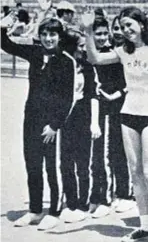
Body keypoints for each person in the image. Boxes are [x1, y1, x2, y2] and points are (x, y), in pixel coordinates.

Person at [84, 6, 148, 242]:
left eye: (129, 25)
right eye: (122, 27)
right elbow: (94, 58)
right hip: (128, 115)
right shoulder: (123, 51)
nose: (125, 30)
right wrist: (87, 29)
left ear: (142, 24)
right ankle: (145, 225)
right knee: (136, 174)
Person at [1, 17, 77, 231]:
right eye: (44, 34)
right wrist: (3, 27)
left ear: (59, 37)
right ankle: (35, 210)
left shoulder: (66, 61)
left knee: (52, 167)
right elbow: (7, 45)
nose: (48, 38)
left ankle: (54, 210)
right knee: (32, 165)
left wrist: (54, 125)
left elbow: (67, 98)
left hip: (51, 124)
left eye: (52, 34)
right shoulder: (34, 53)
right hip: (32, 118)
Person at [89, 18, 135, 217]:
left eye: (103, 33)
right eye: (96, 34)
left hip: (116, 108)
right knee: (99, 154)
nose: (101, 37)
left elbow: (129, 79)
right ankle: (100, 195)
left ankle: (116, 196)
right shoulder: (90, 53)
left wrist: (118, 93)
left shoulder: (115, 54)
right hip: (97, 108)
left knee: (114, 153)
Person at [59, 29, 101, 224]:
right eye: (80, 46)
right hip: (64, 119)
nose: (83, 49)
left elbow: (93, 96)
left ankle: (83, 204)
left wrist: (94, 123)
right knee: (65, 163)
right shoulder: (60, 65)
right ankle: (71, 202)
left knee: (83, 164)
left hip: (83, 117)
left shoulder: (87, 66)